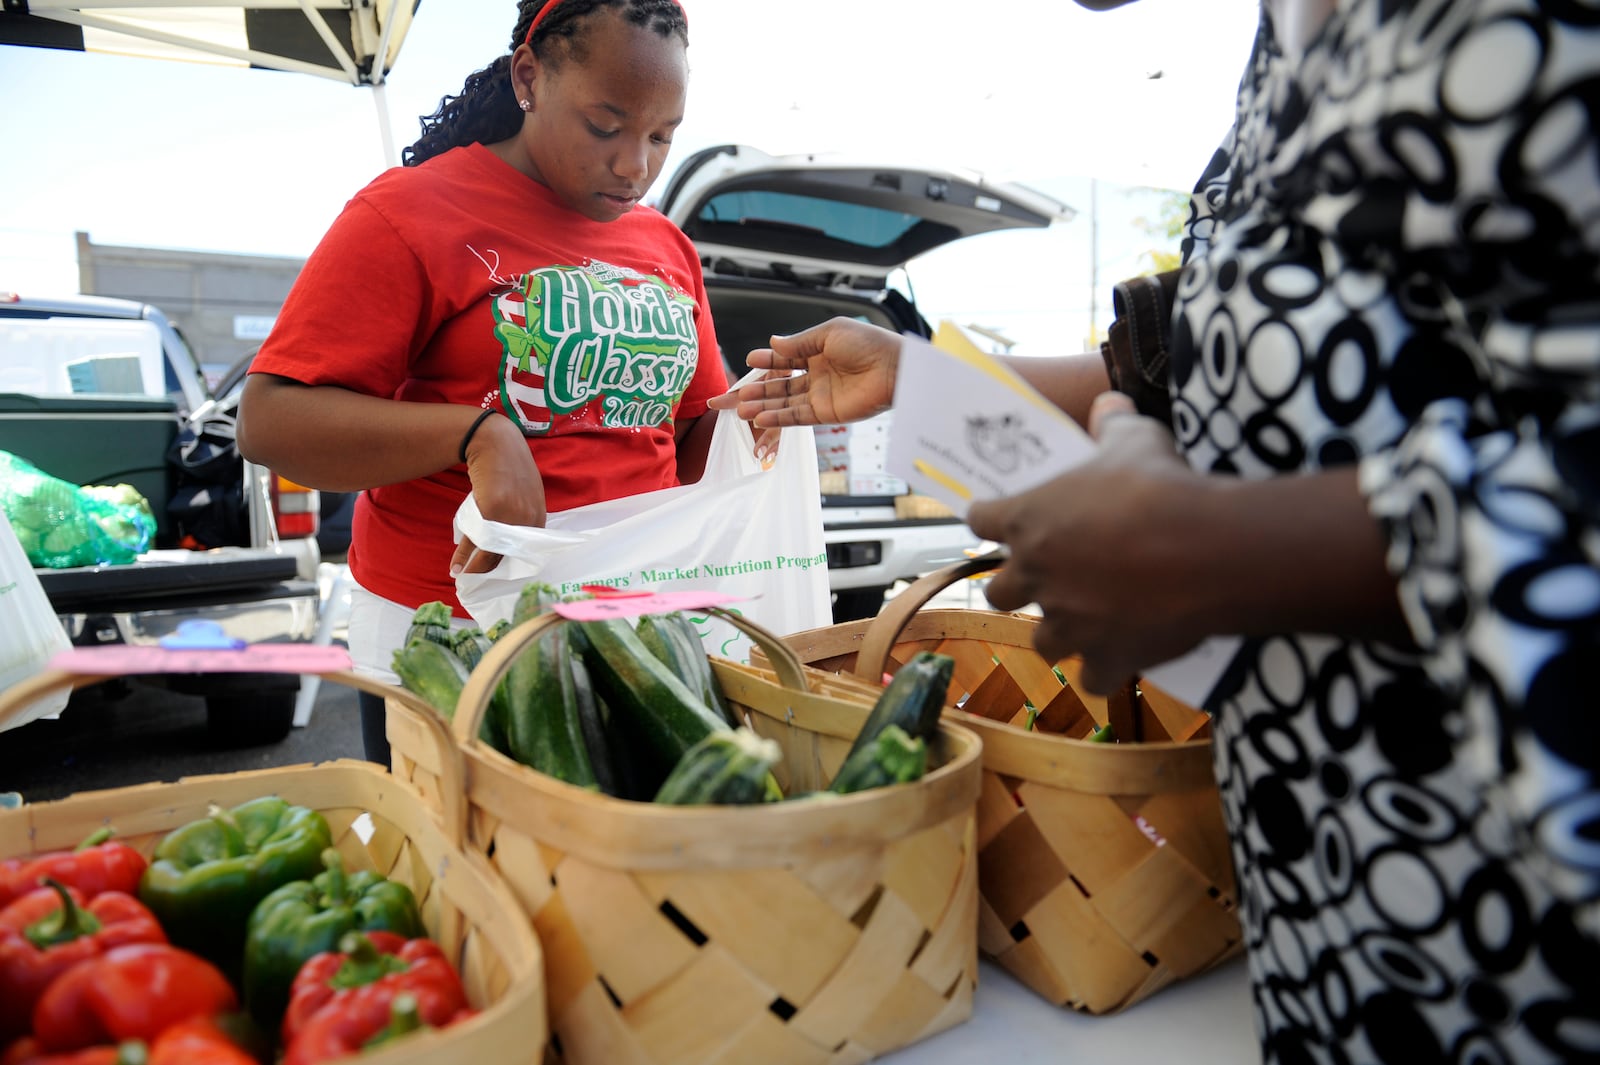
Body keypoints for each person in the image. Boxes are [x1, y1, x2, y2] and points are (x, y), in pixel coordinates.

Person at [709, 0, 1600, 1060]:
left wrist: (1222, 552)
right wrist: (918, 385)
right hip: (1319, 889)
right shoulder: (1278, 51)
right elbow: (1214, 357)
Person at [238, 0, 733, 766]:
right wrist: (475, 434)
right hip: (449, 637)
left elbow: (697, 429)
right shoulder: (408, 212)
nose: (635, 164)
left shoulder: (664, 244)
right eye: (606, 126)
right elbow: (271, 422)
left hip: (635, 633)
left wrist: (761, 417)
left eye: (662, 136)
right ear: (530, 76)